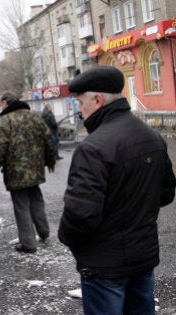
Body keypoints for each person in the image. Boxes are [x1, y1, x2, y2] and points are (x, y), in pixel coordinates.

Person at [58, 66, 176, 314]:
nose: (79, 110)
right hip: (142, 257)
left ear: (97, 100)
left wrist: (70, 241)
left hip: (104, 266)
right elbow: (165, 193)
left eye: (80, 103)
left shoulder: (93, 148)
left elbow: (80, 215)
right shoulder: (151, 136)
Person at [0, 92, 55, 254]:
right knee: (36, 198)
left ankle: (28, 243)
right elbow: (49, 140)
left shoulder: (3, 122)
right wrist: (50, 161)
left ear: (5, 104)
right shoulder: (35, 117)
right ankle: (44, 232)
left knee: (21, 205)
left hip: (15, 171)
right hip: (35, 168)